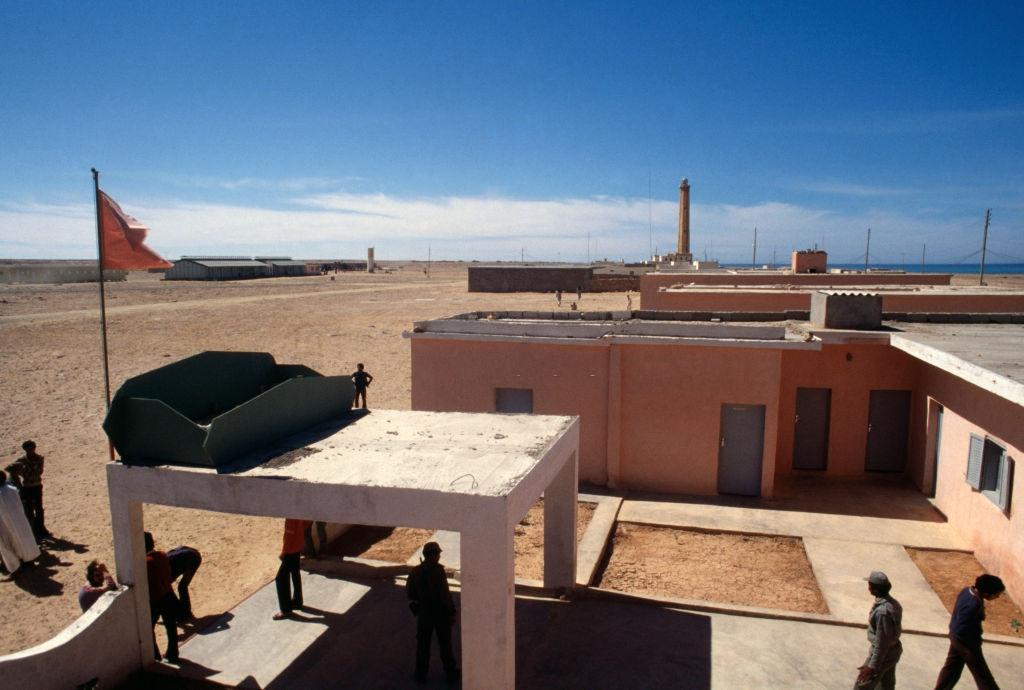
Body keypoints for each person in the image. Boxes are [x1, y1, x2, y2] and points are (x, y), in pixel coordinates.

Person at [933, 573, 1006, 690]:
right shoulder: (974, 604)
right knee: (983, 675)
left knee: (952, 669)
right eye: (996, 594)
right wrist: (972, 643)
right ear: (987, 593)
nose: (997, 597)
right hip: (966, 643)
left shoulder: (966, 591)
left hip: (955, 636)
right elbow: (963, 627)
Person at [407, 541, 458, 684]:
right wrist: (451, 612)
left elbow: (410, 594)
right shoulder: (438, 571)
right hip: (440, 615)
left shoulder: (416, 571)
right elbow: (444, 595)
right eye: (438, 554)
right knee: (445, 646)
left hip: (424, 616)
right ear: (434, 555)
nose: (439, 556)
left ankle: (420, 675)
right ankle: (451, 674)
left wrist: (418, 611)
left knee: (423, 647)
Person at [856, 571, 903, 690]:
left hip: (884, 654)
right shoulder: (894, 603)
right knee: (886, 685)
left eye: (870, 585)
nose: (868, 588)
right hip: (893, 652)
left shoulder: (883, 613)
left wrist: (872, 666)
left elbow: (882, 643)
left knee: (862, 686)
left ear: (875, 589)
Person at [144, 532, 179, 663]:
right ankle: (172, 654)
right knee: (171, 626)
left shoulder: (145, 563)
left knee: (149, 628)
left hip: (155, 599)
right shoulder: (163, 555)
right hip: (168, 595)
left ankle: (155, 655)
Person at [6, 440, 49, 539]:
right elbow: (9, 469)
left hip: (36, 486)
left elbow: (39, 472)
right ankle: (33, 530)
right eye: (28, 449)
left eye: (31, 448)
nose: (30, 451)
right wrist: (19, 473)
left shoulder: (39, 458)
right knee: (29, 510)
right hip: (27, 487)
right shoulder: (22, 460)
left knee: (39, 509)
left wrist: (24, 471)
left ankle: (41, 529)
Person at [0, 469, 40, 575]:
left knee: (7, 544)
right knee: (23, 540)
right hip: (19, 521)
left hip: (5, 525)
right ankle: (28, 560)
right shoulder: (12, 489)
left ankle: (15, 567)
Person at [274, 518, 308, 620]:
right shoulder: (298, 512)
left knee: (280, 578)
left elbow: (289, 538)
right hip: (298, 546)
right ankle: (297, 601)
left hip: (291, 550)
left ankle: (286, 610)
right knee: (294, 572)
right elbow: (307, 522)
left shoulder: (290, 518)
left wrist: (284, 553)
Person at [167, 545, 202, 621]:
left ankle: (186, 613)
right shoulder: (165, 562)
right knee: (178, 587)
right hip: (186, 554)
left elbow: (167, 587)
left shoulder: (169, 567)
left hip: (193, 559)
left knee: (182, 586)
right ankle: (183, 611)